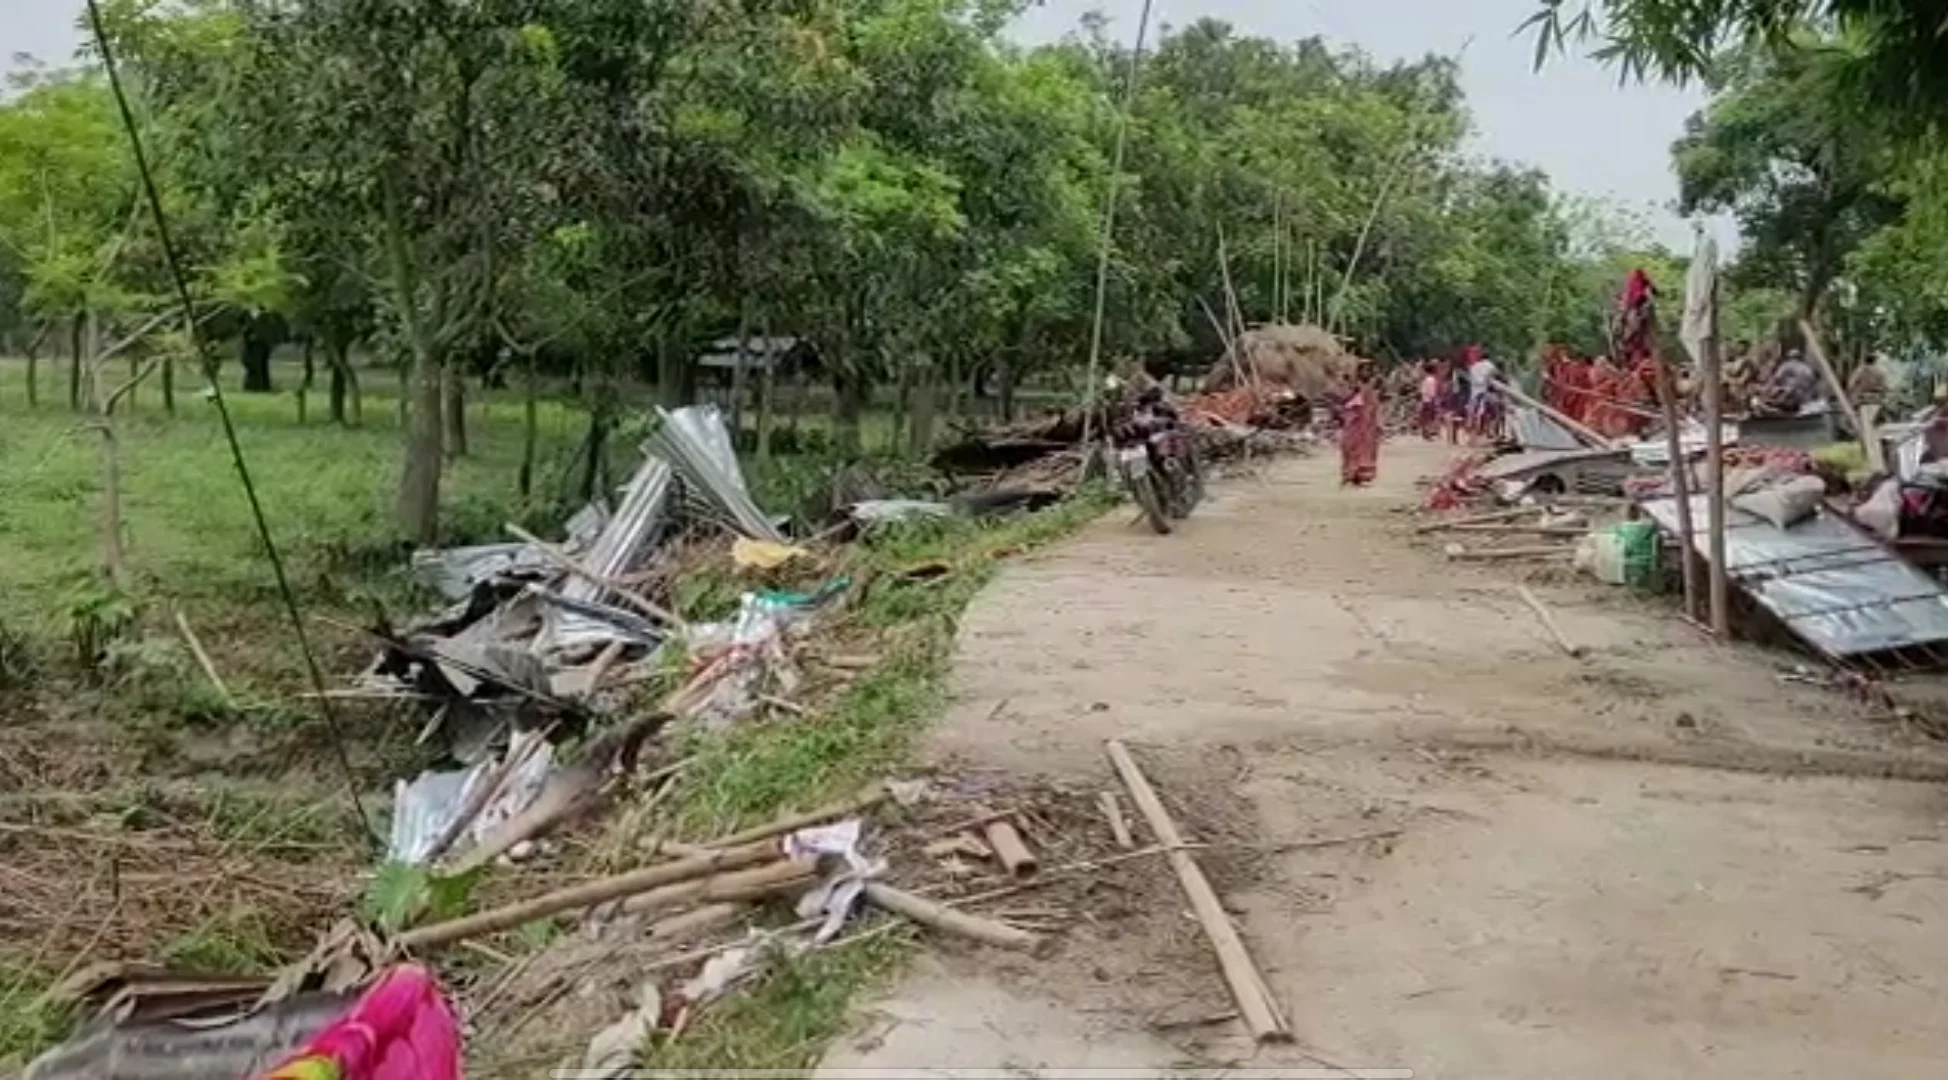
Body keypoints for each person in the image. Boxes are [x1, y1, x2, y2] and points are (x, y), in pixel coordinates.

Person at [1339, 359, 1382, 486]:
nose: (1366, 372)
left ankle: (1362, 475)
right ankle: (1350, 473)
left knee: (1367, 450)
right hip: (1355, 425)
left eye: (1369, 370)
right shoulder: (1353, 387)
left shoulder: (1372, 387)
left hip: (1368, 426)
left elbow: (1374, 406)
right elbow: (1347, 404)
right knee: (1351, 448)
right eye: (1364, 369)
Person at [1752, 347, 1818, 416]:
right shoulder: (1807, 368)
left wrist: (1766, 391)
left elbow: (1775, 378)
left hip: (1794, 398)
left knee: (1779, 393)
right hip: (1807, 400)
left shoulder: (1787, 365)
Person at [1416, 360, 1444, 440]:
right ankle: (1428, 433)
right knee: (1429, 418)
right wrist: (1435, 401)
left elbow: (1422, 391)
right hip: (1429, 401)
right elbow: (1432, 392)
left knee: (1425, 418)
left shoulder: (1425, 379)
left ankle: (1425, 432)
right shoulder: (1432, 380)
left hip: (1424, 400)